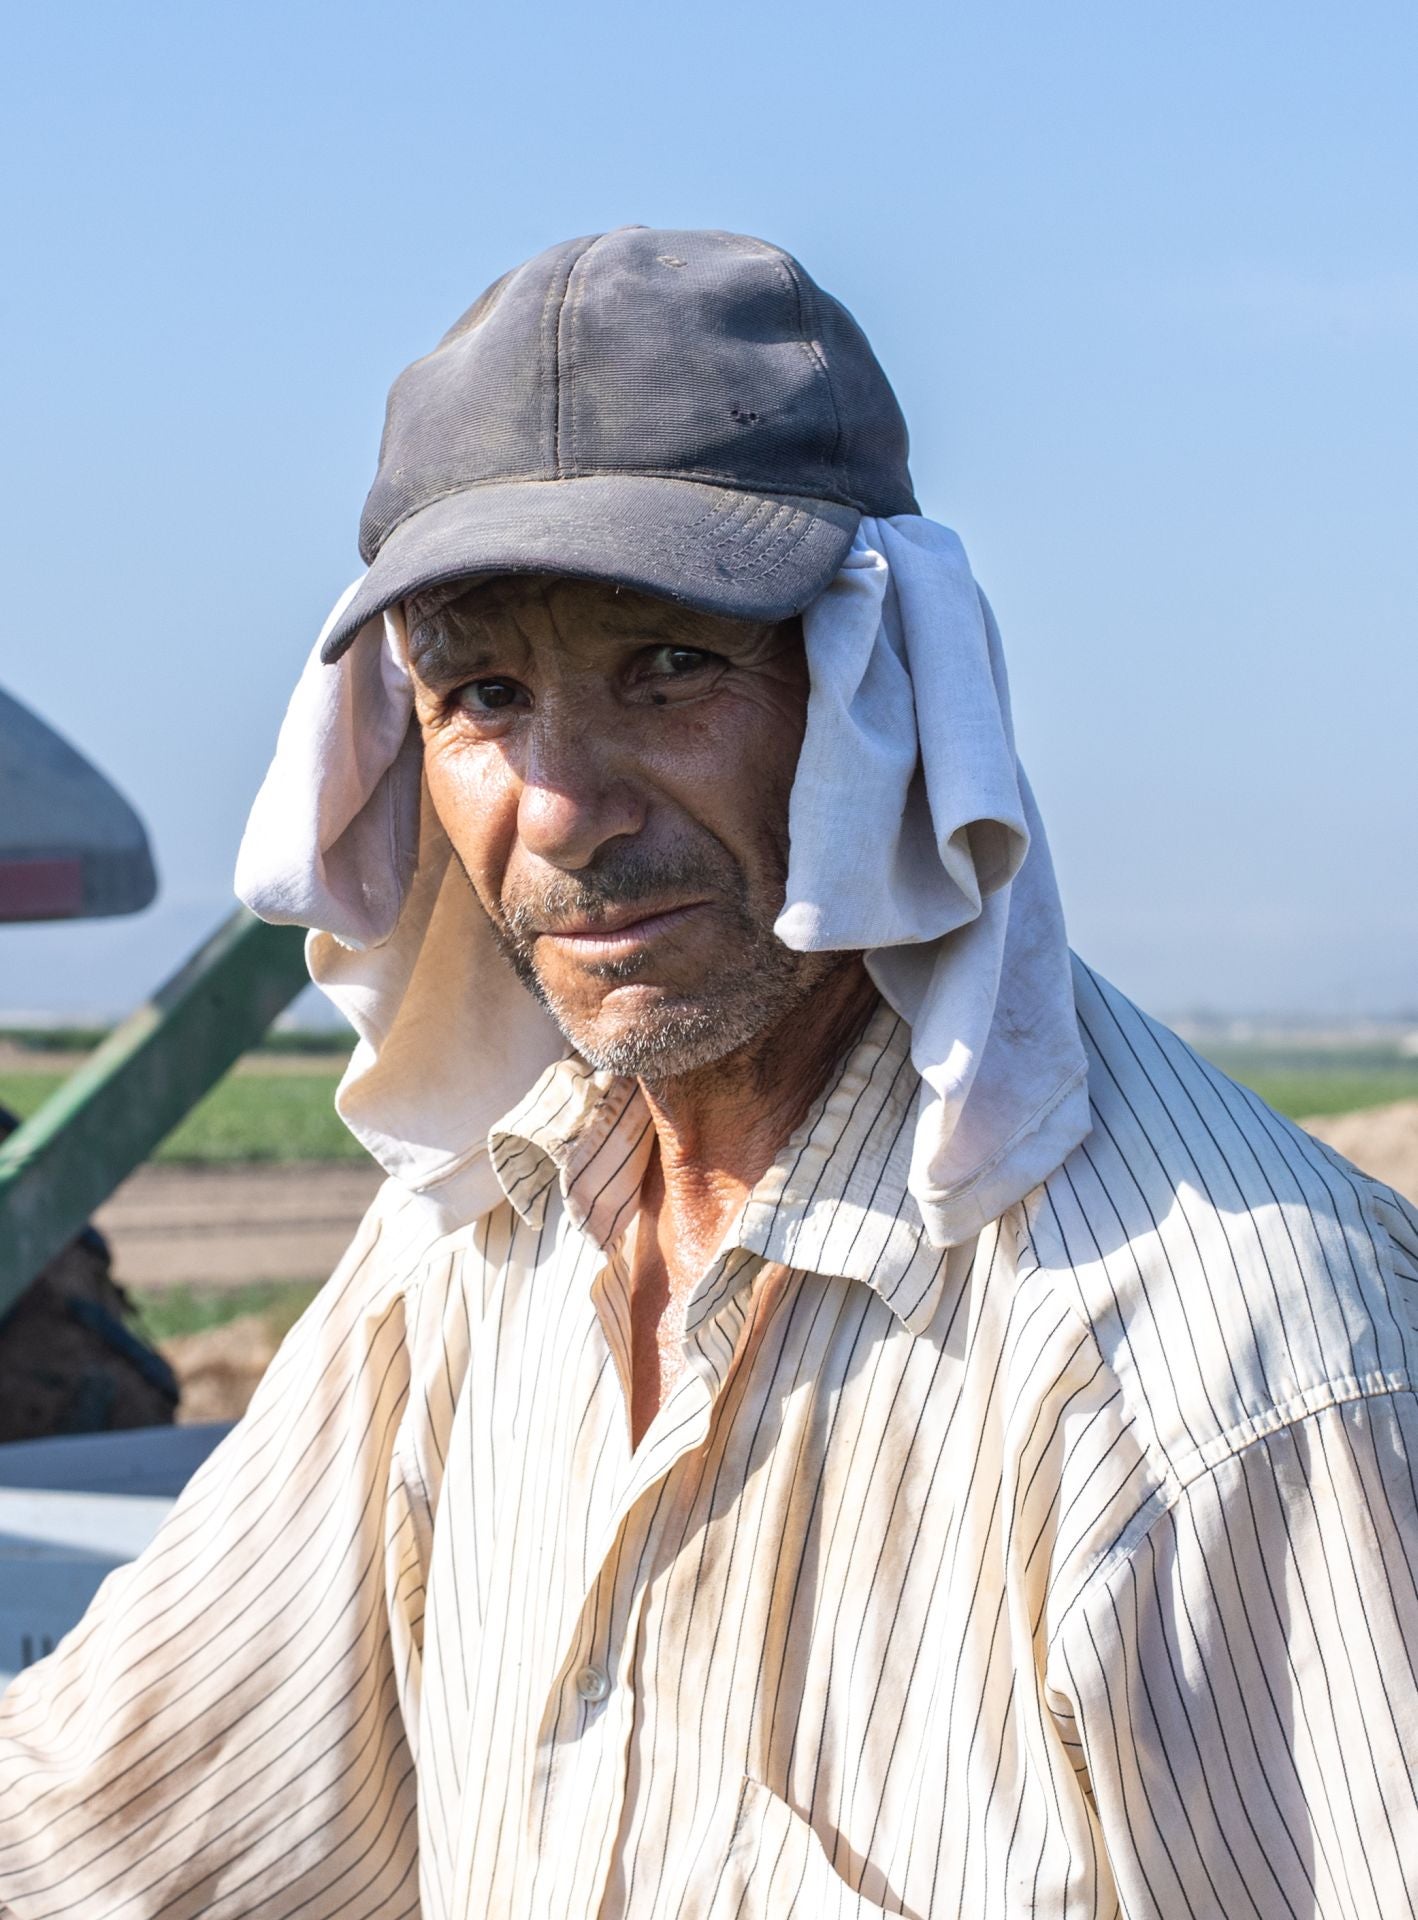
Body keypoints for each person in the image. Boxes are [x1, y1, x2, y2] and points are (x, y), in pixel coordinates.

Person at [0, 226, 1414, 1920]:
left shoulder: (1222, 1368)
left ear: (877, 690)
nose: (561, 804)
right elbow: (114, 1823)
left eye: (668, 667)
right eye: (484, 693)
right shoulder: (474, 1250)